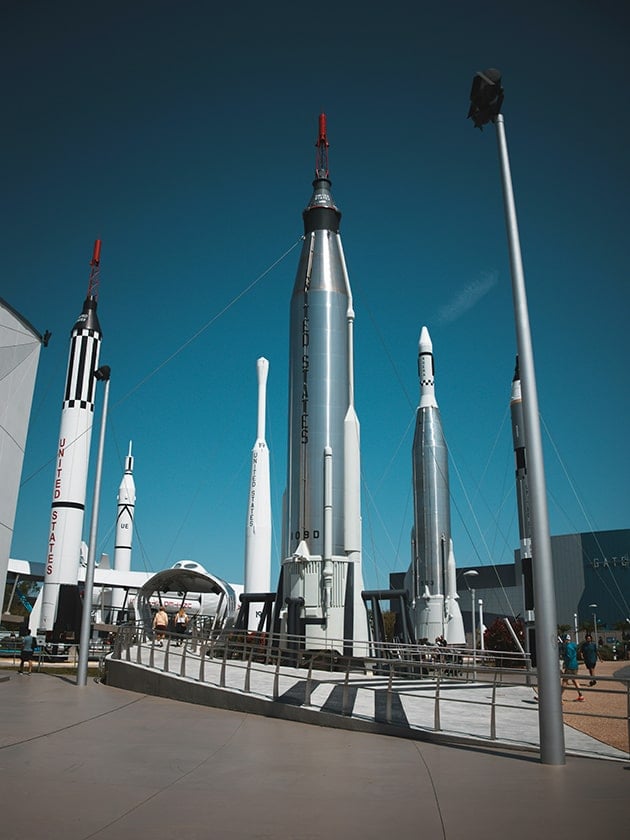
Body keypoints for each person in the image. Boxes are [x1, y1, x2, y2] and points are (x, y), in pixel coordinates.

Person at [560, 633, 584, 701]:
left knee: (564, 682)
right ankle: (581, 695)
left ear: (566, 640)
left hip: (569, 666)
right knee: (575, 681)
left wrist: (563, 656)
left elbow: (569, 657)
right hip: (575, 665)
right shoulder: (573, 645)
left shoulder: (568, 647)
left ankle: (558, 697)